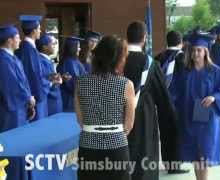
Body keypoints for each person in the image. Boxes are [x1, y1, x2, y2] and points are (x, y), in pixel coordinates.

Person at [172, 32, 220, 180]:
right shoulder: (184, 72)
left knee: (204, 156)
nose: (195, 53)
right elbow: (174, 93)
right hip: (189, 118)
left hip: (208, 119)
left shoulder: (215, 71)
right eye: (193, 50)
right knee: (195, 155)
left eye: (199, 50)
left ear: (206, 51)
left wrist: (214, 97)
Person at [75, 35, 135, 180]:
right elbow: (129, 125)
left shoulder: (81, 82)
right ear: (117, 59)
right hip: (117, 148)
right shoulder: (126, 84)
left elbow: (81, 120)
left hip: (88, 147)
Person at [124, 21, 177, 180]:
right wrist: (172, 122)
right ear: (144, 38)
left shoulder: (117, 60)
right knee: (143, 162)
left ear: (127, 37)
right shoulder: (151, 64)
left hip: (117, 119)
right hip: (143, 121)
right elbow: (163, 100)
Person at [0, 24, 36, 180]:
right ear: (9, 40)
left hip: (20, 112)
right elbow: (11, 86)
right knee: (13, 149)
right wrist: (28, 98)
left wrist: (29, 101)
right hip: (10, 114)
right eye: (16, 37)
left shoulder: (13, 59)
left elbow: (23, 83)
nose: (20, 39)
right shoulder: (2, 60)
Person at [154, 30, 189, 174]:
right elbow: (187, 82)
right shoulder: (184, 58)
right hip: (179, 104)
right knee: (177, 134)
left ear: (167, 42)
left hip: (162, 103)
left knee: (165, 133)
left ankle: (168, 163)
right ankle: (175, 165)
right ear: (180, 42)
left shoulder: (158, 57)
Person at [15, 15, 47, 120]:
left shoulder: (29, 48)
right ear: (33, 31)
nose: (40, 31)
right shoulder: (28, 50)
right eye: (39, 29)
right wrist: (39, 96)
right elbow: (33, 75)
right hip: (35, 97)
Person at [57, 36, 87, 112]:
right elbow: (73, 82)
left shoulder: (74, 60)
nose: (79, 49)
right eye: (78, 47)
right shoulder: (70, 62)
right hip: (70, 99)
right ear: (73, 48)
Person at [36, 34, 63, 116]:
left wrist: (61, 78)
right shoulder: (41, 61)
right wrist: (53, 82)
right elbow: (43, 81)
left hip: (55, 98)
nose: (55, 46)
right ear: (44, 47)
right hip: (50, 101)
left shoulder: (48, 60)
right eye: (52, 44)